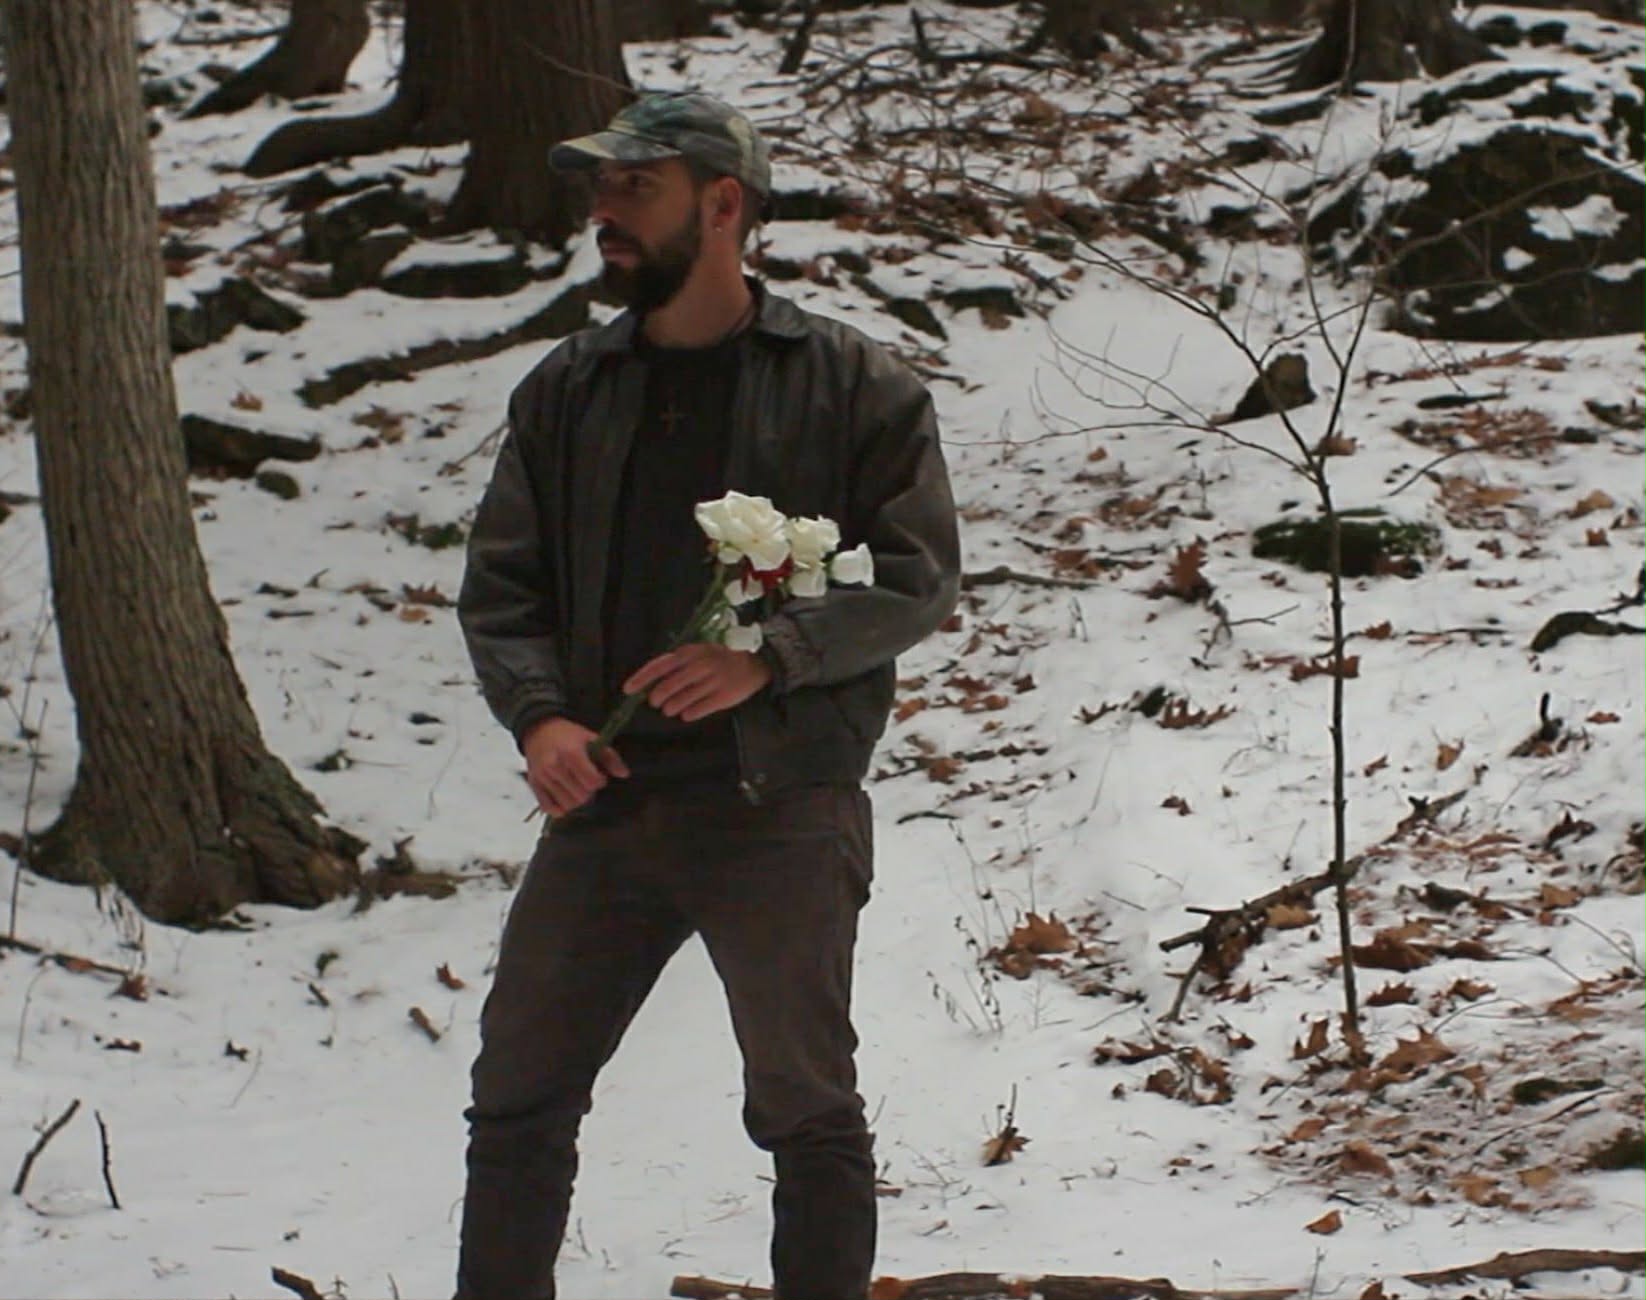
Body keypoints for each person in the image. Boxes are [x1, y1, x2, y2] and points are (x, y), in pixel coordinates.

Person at [453, 91, 961, 1300]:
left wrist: (770, 655)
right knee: (516, 1096)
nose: (604, 211)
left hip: (777, 806)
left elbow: (917, 577)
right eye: (599, 188)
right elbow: (502, 585)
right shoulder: (567, 388)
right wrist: (541, 716)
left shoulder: (854, 383)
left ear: (722, 203)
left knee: (805, 1109)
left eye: (635, 186)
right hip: (605, 807)